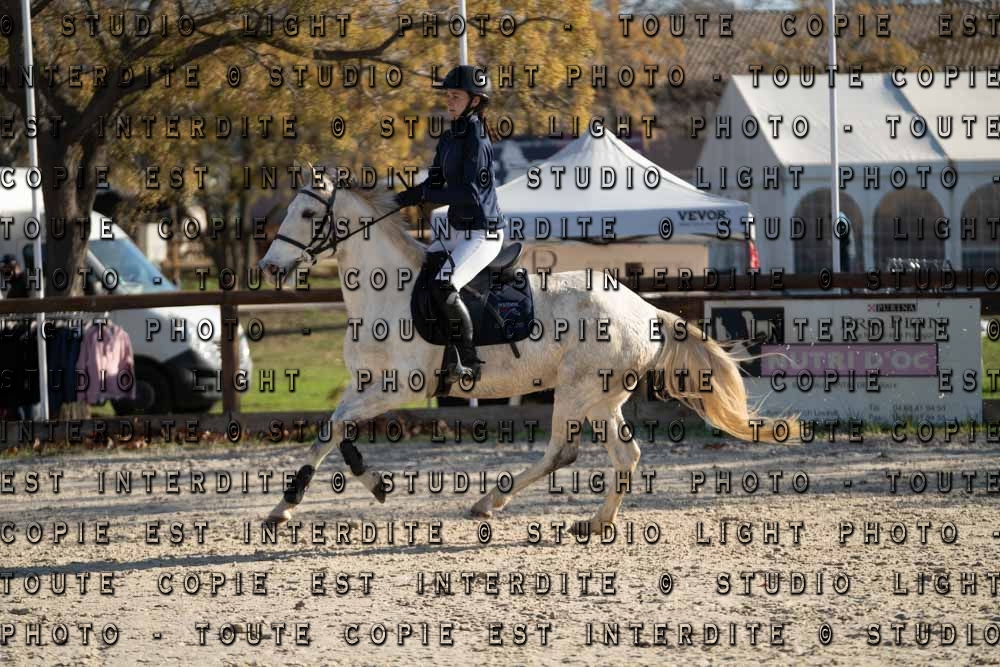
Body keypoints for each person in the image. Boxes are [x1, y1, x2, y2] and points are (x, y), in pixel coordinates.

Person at [394, 65, 505, 382]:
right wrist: (398, 199)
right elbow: (435, 183)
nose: (449, 101)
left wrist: (426, 194)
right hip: (456, 230)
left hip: (482, 233)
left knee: (444, 284)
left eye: (456, 96)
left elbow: (469, 193)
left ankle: (470, 361)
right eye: (448, 96)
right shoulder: (449, 137)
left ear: (474, 101)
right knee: (421, 275)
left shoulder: (477, 139)